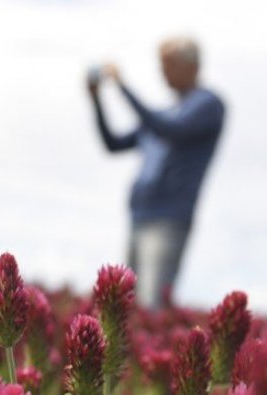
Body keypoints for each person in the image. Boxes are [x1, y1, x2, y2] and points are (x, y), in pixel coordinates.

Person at [88, 37, 225, 309]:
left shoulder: (208, 104)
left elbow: (169, 129)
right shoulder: (161, 114)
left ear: (192, 65)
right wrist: (96, 100)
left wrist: (122, 87)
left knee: (152, 303)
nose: (163, 72)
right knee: (124, 304)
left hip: (170, 218)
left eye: (169, 64)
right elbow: (113, 144)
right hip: (140, 214)